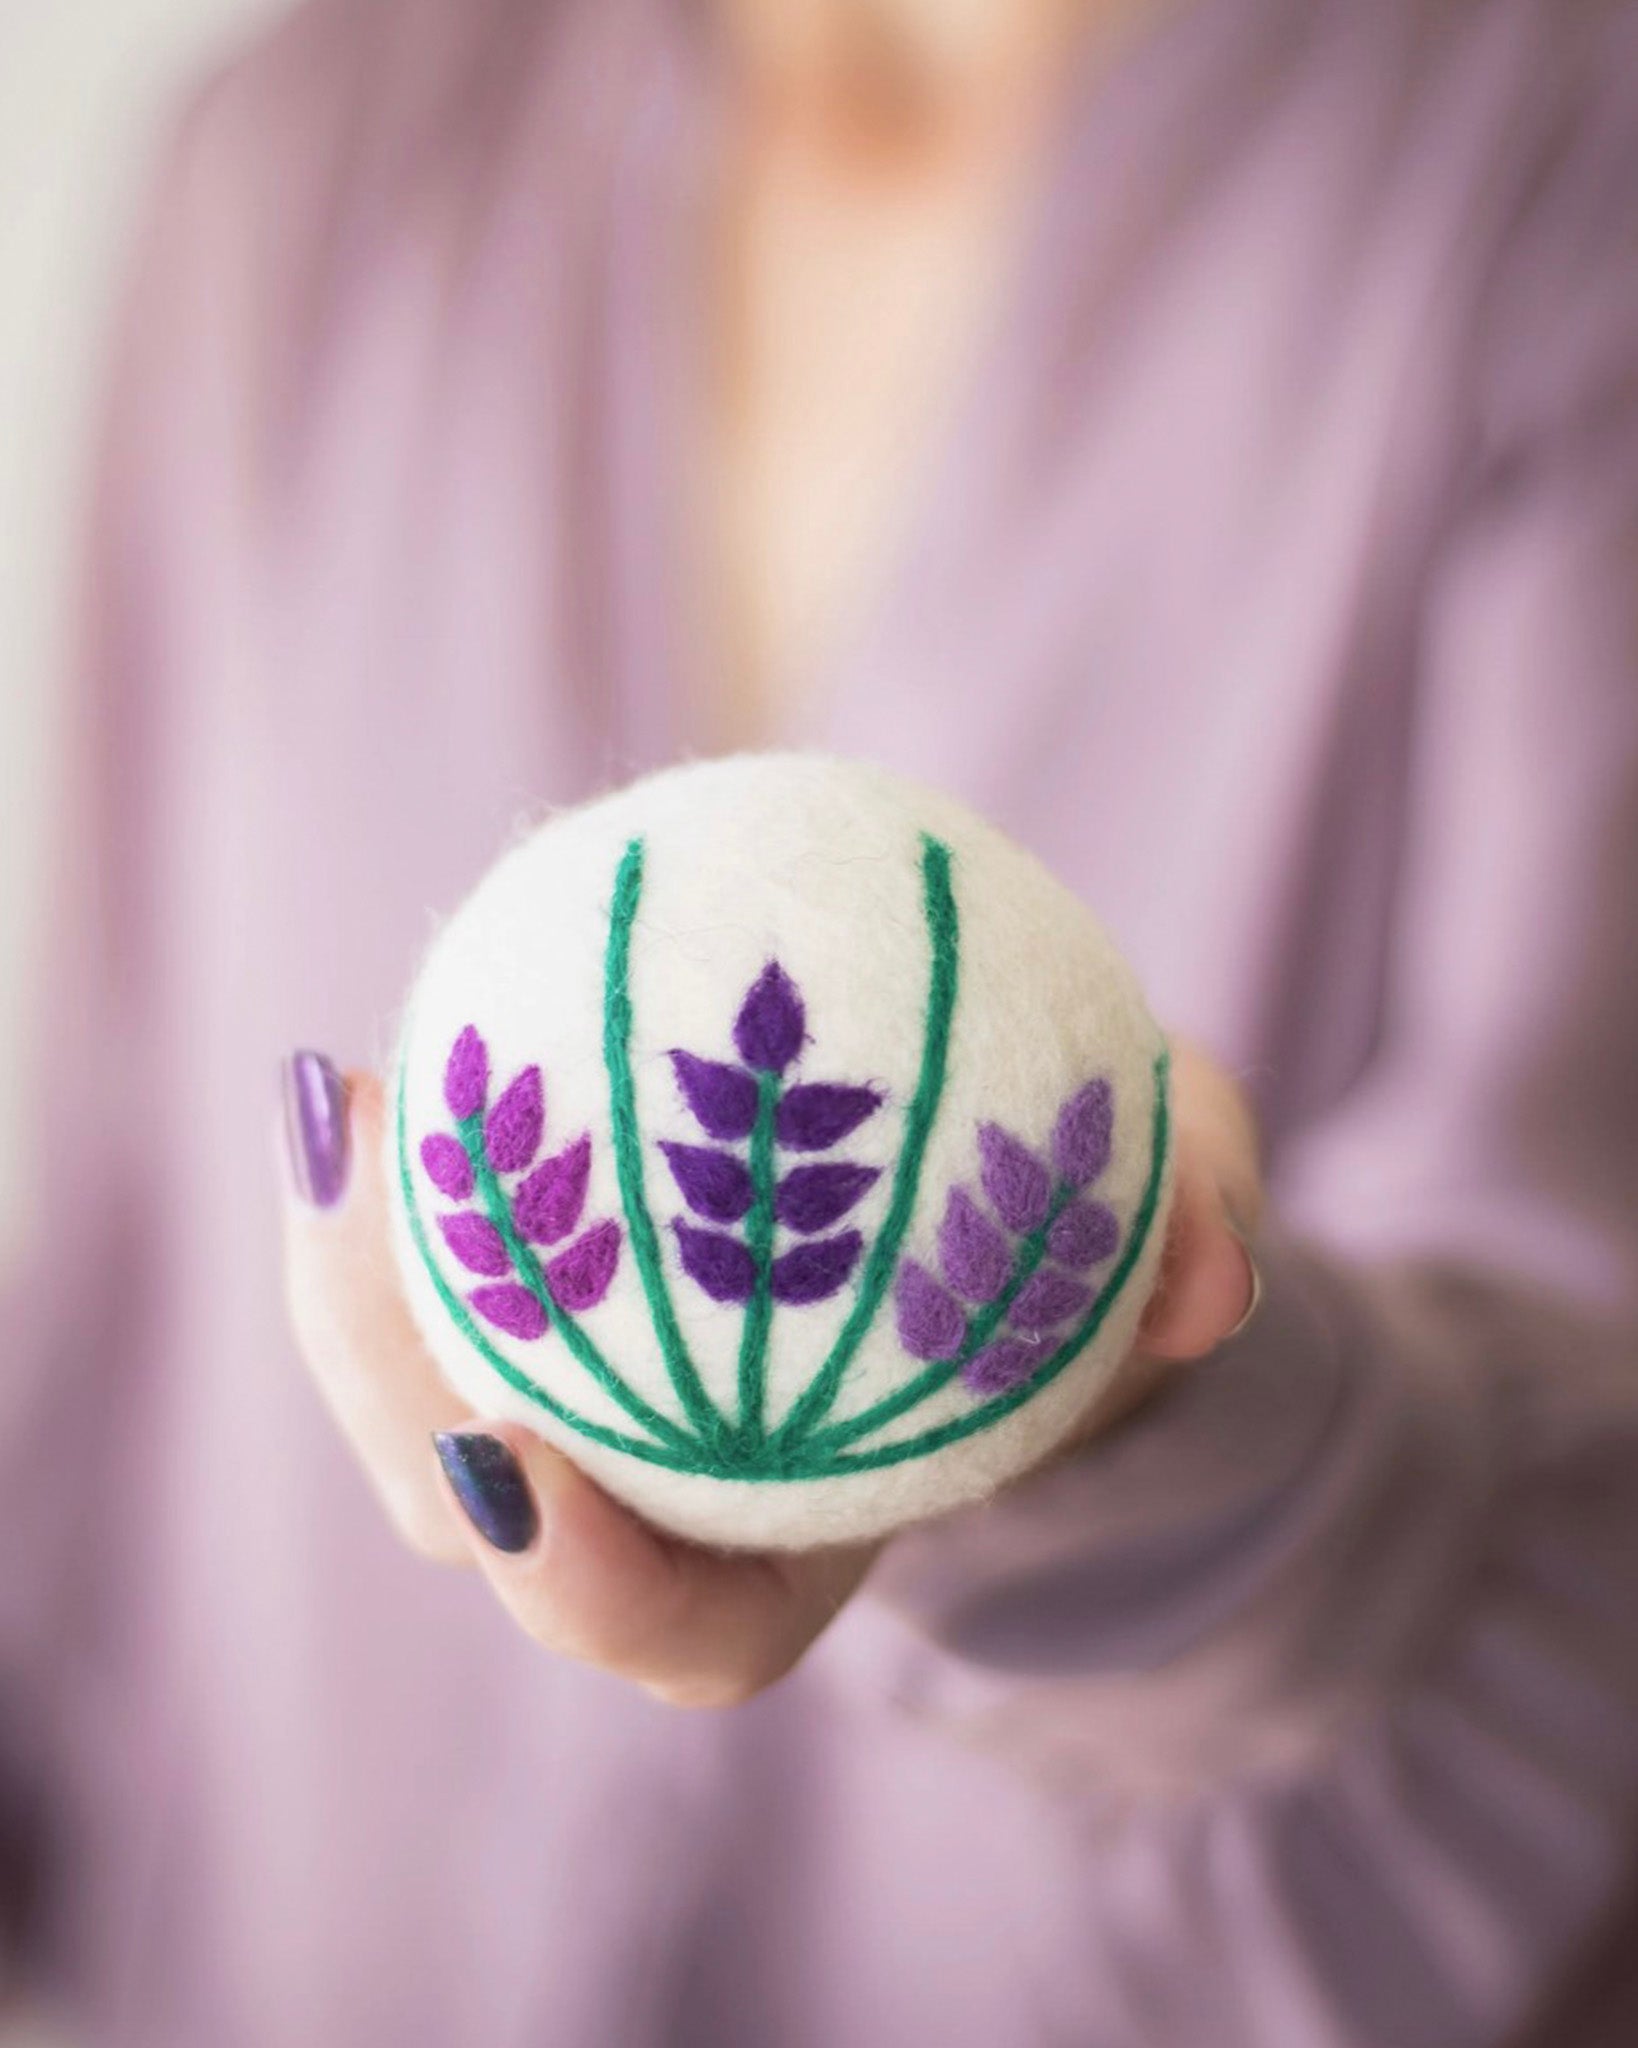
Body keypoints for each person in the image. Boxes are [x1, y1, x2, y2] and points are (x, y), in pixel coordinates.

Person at [7, 0, 1638, 2039]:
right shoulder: (286, 168)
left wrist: (1126, 1435)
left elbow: (1588, 1515)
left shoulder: (1570, 170)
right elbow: (99, 1309)